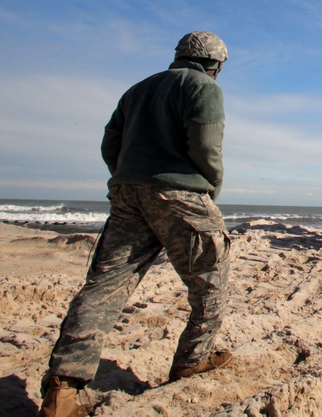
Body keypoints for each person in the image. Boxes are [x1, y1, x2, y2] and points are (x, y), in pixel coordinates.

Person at [38, 31, 233, 417]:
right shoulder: (203, 88)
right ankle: (193, 359)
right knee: (211, 279)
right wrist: (211, 185)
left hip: (128, 195)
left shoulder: (137, 90)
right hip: (180, 195)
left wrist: (130, 176)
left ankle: (64, 388)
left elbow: (110, 144)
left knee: (104, 286)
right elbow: (206, 145)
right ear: (216, 64)